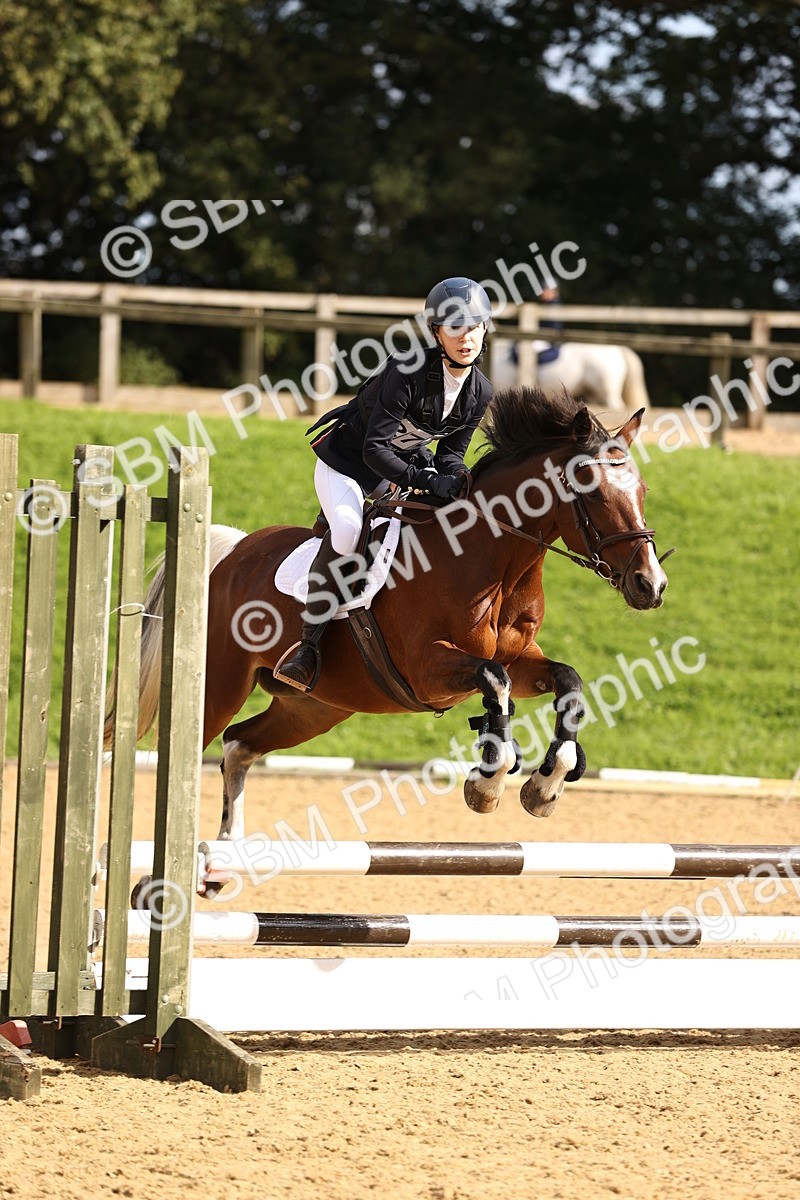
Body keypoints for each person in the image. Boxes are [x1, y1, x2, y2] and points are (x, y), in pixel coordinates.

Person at [273, 276, 494, 693]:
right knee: (348, 530)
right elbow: (374, 450)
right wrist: (426, 478)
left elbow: (450, 452)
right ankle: (308, 646)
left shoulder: (479, 391)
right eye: (456, 328)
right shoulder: (407, 370)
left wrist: (456, 478)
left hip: (399, 471)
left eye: (476, 326)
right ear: (436, 333)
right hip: (348, 465)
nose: (467, 337)